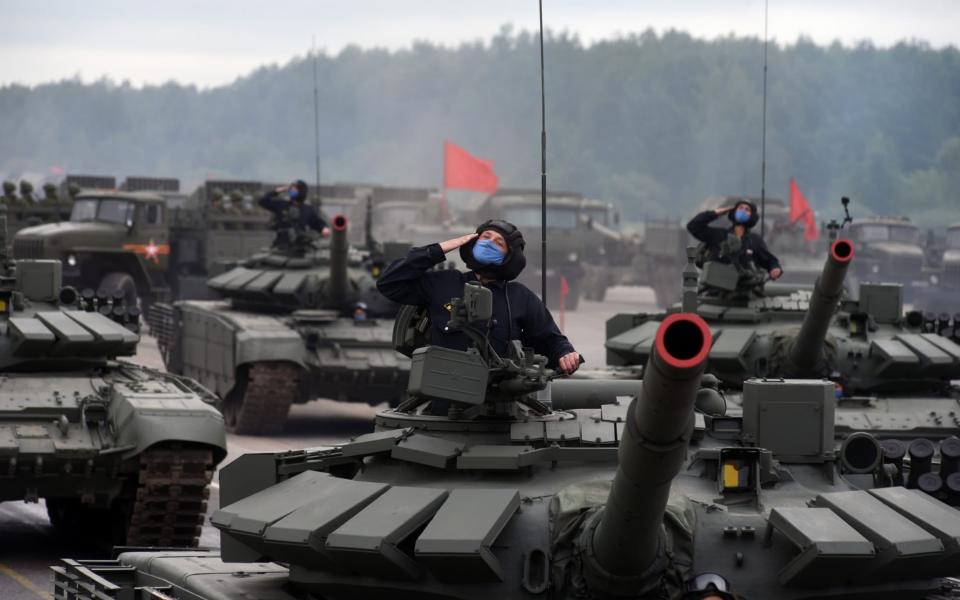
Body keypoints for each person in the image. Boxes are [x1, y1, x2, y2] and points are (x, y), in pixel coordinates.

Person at [376, 219, 582, 375]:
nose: (490, 243)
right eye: (485, 237)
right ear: (472, 242)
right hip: (444, 402)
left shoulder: (521, 297)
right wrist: (439, 249)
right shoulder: (444, 283)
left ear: (509, 256)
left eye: (498, 242)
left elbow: (551, 340)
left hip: (500, 408)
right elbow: (389, 283)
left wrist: (565, 354)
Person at [686, 200, 782, 280]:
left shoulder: (754, 241)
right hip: (715, 290)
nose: (743, 211)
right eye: (740, 208)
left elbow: (770, 260)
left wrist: (774, 268)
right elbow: (693, 226)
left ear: (752, 216)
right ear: (734, 212)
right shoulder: (719, 235)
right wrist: (716, 213)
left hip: (743, 292)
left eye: (747, 209)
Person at [258, 179, 328, 249]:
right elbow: (262, 201)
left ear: (301, 191)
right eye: (291, 189)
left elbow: (317, 222)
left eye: (294, 189)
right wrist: (277, 191)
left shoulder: (308, 209)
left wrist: (324, 228)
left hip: (300, 247)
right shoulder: (282, 205)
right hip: (281, 245)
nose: (291, 191)